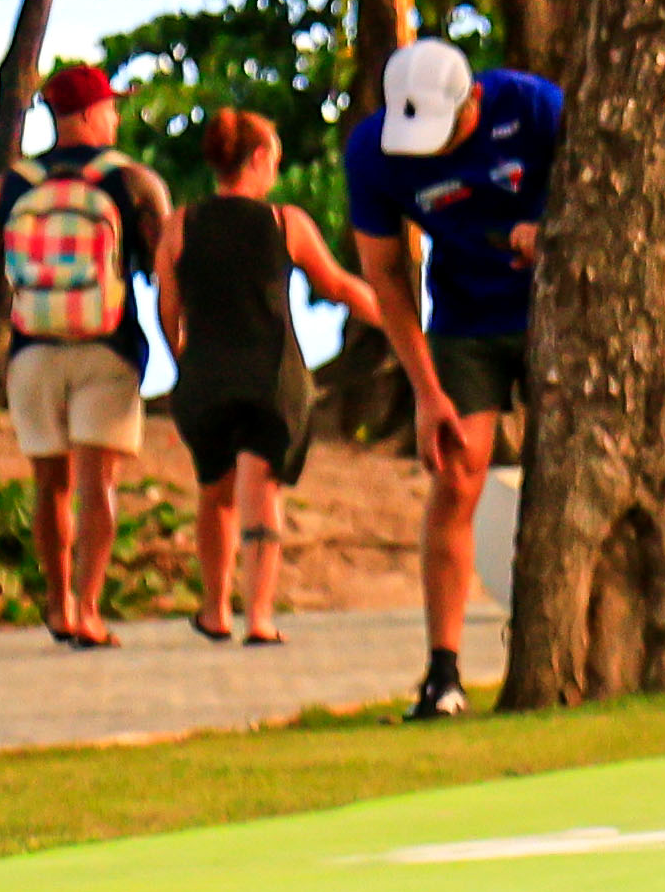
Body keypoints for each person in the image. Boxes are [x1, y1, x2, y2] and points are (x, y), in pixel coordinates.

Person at [343, 37, 557, 721]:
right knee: (456, 477)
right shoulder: (375, 151)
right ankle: (443, 672)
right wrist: (426, 389)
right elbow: (383, 273)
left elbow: (613, 185)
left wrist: (551, 224)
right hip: (465, 321)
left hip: (560, 313)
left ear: (475, 102)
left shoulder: (530, 106)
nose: (430, 152)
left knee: (575, 472)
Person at [0, 63, 181, 648]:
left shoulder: (13, 184)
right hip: (108, 345)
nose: (115, 116)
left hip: (32, 349)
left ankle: (56, 604)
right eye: (110, 106)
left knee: (50, 484)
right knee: (99, 481)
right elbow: (170, 274)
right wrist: (184, 352)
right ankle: (90, 608)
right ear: (90, 113)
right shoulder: (133, 182)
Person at [168, 109, 417, 645]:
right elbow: (339, 288)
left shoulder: (181, 224)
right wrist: (403, 328)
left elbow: (169, 307)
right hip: (270, 375)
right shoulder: (285, 223)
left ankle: (214, 609)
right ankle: (257, 616)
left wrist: (183, 357)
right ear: (258, 159)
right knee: (262, 489)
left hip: (205, 376)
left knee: (215, 491)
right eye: (274, 160)